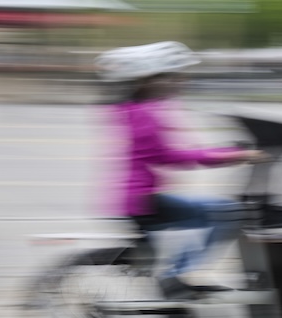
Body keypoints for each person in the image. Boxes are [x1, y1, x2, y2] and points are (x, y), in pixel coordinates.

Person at [95, 41, 266, 297]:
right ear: (149, 80)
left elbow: (180, 150)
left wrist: (227, 151)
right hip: (143, 199)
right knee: (229, 212)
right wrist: (235, 155)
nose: (182, 82)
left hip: (135, 197)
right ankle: (176, 278)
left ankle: (174, 282)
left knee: (203, 217)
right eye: (174, 77)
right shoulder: (144, 113)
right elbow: (169, 156)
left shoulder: (135, 109)